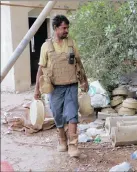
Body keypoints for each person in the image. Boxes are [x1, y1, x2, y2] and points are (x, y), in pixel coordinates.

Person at [34, 15, 88, 157]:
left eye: (67, 28)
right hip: (54, 87)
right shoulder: (46, 46)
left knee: (72, 114)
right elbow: (40, 69)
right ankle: (62, 139)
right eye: (64, 28)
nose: (66, 31)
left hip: (71, 85)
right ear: (55, 28)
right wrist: (36, 90)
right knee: (57, 115)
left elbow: (79, 64)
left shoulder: (71, 43)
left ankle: (73, 145)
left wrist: (84, 81)